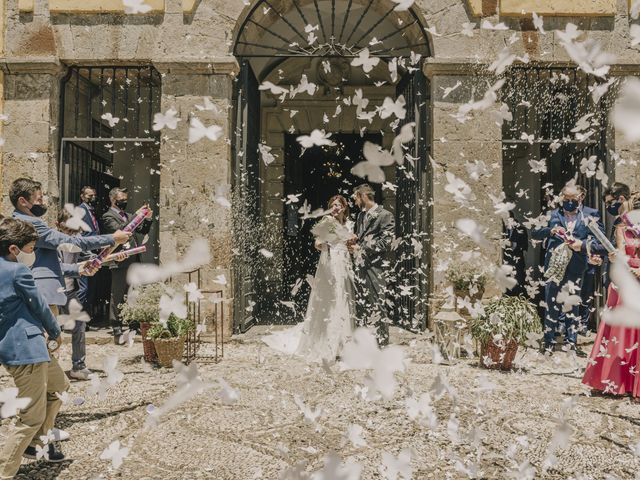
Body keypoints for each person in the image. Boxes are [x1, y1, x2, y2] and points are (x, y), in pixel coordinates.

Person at [0, 218, 69, 476]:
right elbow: (38, 304)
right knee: (30, 417)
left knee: (60, 387)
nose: (33, 254)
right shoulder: (17, 270)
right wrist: (55, 331)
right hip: (27, 349)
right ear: (14, 249)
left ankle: (35, 443)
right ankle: (4, 471)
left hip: (22, 348)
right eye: (30, 248)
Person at [10, 178, 131, 309]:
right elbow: (71, 242)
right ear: (22, 201)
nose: (43, 203)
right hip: (40, 294)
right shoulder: (31, 224)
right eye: (39, 200)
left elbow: (44, 265)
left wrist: (79, 268)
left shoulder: (18, 220)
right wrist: (112, 238)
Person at [263, 195, 356, 363]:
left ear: (344, 207)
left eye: (338, 205)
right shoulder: (326, 221)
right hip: (331, 263)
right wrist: (327, 241)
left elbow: (351, 248)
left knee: (344, 300)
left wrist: (351, 246)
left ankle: (344, 345)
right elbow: (318, 244)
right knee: (331, 301)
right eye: (333, 205)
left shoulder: (349, 224)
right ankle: (328, 344)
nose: (336, 208)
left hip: (345, 264)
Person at [532, 183, 605, 356]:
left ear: (581, 197)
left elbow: (599, 242)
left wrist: (584, 247)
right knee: (551, 303)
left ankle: (571, 342)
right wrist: (550, 231)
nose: (569, 202)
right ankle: (548, 342)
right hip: (554, 265)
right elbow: (535, 232)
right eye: (566, 199)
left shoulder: (591, 214)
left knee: (573, 304)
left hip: (577, 265)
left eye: (572, 199)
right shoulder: (551, 214)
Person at [582, 191, 640, 401]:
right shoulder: (622, 226)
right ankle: (616, 381)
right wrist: (618, 257)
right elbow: (620, 250)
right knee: (621, 331)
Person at [101, 187, 153, 343]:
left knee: (133, 293)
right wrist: (136, 217)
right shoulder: (107, 216)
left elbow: (142, 231)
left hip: (134, 260)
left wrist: (147, 218)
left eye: (125, 199)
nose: (124, 202)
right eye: (121, 199)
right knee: (117, 294)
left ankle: (133, 323)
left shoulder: (129, 216)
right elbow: (121, 232)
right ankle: (116, 325)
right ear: (113, 199)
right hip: (119, 260)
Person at [350, 184, 395, 346]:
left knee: (377, 304)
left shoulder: (385, 215)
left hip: (376, 267)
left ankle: (382, 345)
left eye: (355, 198)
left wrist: (361, 248)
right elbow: (362, 236)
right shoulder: (360, 217)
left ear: (363, 196)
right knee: (360, 304)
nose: (354, 202)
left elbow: (386, 242)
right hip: (359, 266)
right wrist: (354, 239)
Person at [576, 185, 602, 333]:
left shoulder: (591, 212)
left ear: (582, 196)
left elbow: (599, 236)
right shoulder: (562, 213)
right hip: (569, 260)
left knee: (585, 292)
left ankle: (583, 324)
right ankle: (563, 324)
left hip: (587, 258)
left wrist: (595, 252)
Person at [77, 186, 101, 317]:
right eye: (89, 196)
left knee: (91, 288)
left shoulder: (92, 211)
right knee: (84, 288)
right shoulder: (80, 210)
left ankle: (85, 317)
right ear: (82, 196)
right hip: (84, 254)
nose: (92, 198)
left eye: (94, 195)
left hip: (94, 253)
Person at [503, 211, 528, 297]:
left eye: (508, 219)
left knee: (518, 286)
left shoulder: (521, 229)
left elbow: (524, 246)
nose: (506, 221)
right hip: (504, 263)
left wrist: (511, 244)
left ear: (512, 219)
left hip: (517, 263)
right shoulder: (502, 231)